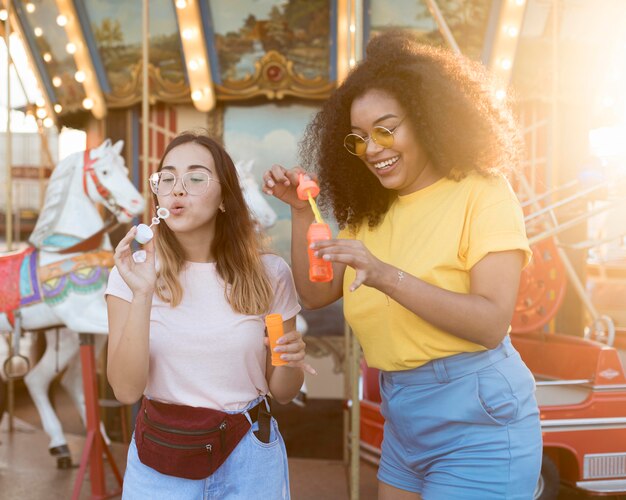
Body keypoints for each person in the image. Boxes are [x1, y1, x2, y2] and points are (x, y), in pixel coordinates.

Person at [263, 30, 542, 500]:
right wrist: (297, 212)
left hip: (477, 416)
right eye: (358, 139)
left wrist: (386, 276)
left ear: (430, 119)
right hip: (402, 412)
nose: (372, 149)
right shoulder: (371, 210)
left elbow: (491, 322)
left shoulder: (483, 191)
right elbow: (314, 294)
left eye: (386, 130)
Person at [106, 131, 310, 499]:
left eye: (196, 177)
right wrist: (142, 294)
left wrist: (292, 361)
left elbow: (282, 391)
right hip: (161, 458)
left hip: (250, 454)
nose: (177, 189)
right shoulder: (132, 274)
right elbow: (125, 390)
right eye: (166, 178)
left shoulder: (270, 273)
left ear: (224, 198)